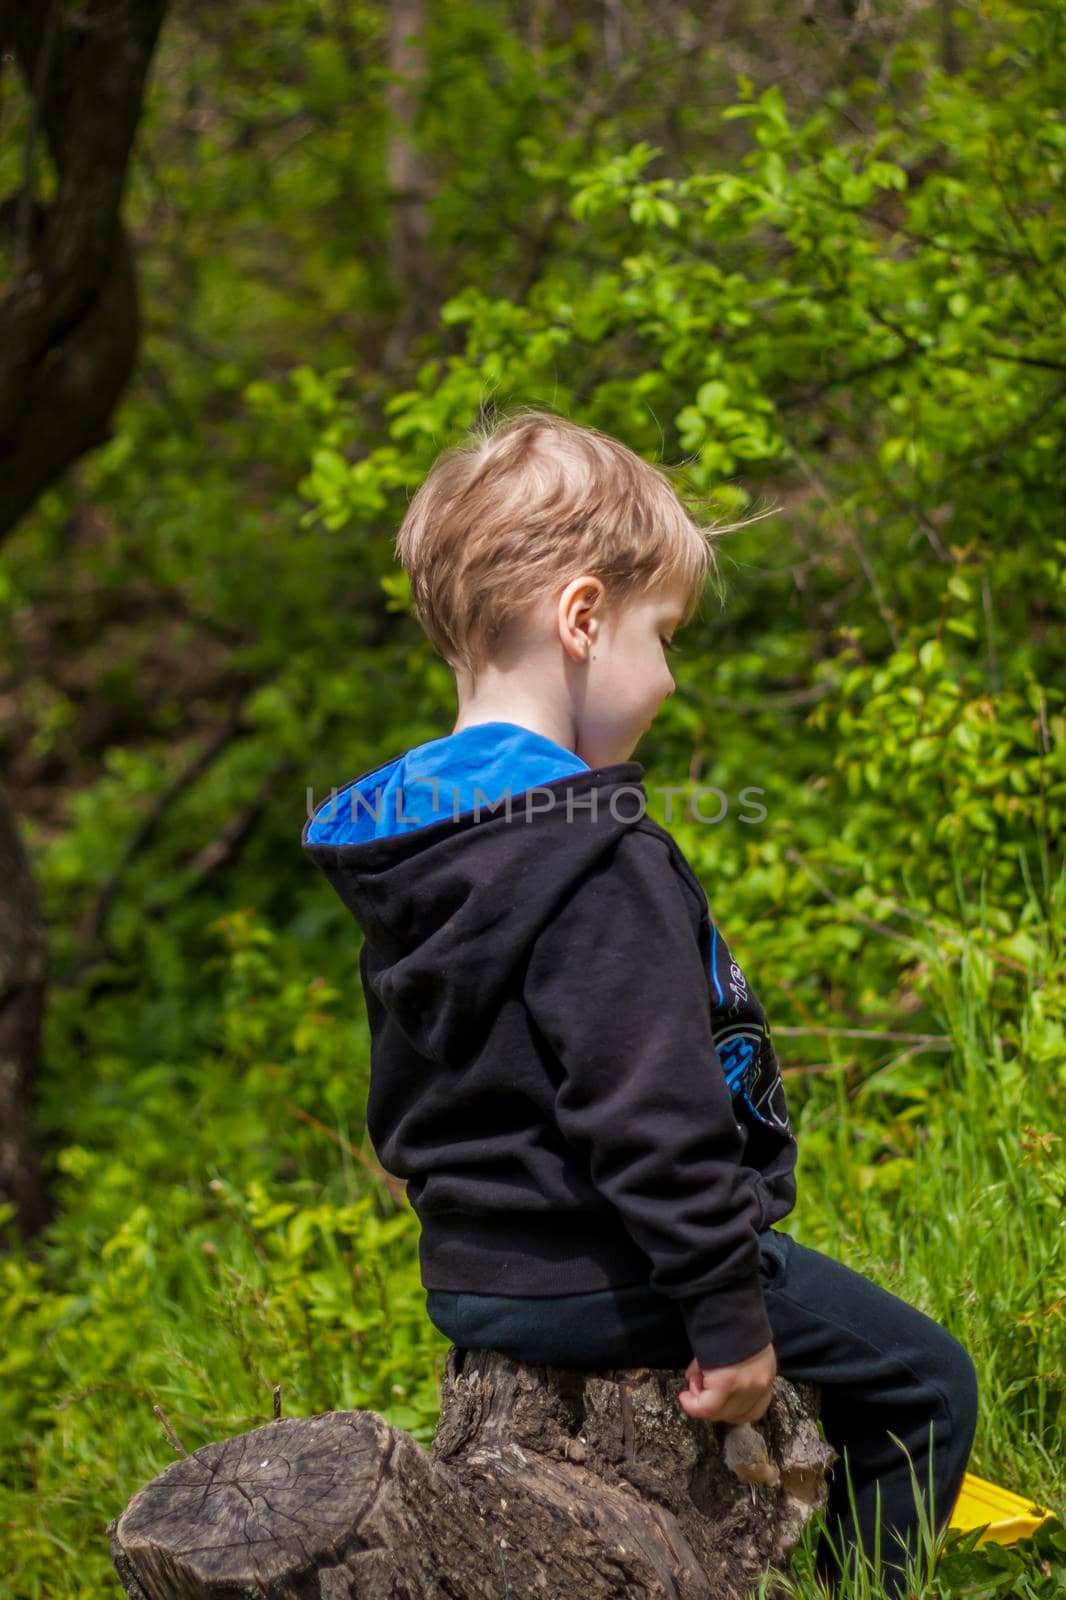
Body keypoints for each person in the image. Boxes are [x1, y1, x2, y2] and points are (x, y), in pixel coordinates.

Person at [302, 406, 978, 1597]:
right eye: (662, 635)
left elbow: (406, 1058)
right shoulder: (591, 854)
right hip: (613, 1264)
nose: (667, 675)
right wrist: (727, 1319)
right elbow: (649, 1110)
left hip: (473, 1274)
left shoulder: (415, 837)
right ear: (582, 618)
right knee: (929, 1383)